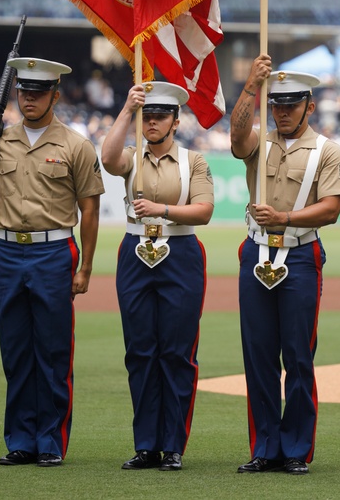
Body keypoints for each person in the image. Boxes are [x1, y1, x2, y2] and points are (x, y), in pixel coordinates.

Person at [0, 57, 103, 468]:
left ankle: (51, 441)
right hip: (7, 251)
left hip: (54, 252)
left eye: (38, 93)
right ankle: (21, 439)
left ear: (55, 95)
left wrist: (86, 267)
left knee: (53, 351)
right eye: (24, 92)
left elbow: (89, 211)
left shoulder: (76, 146)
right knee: (16, 351)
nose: (29, 99)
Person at [229, 54, 340, 475]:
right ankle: (265, 447)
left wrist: (285, 218)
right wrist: (249, 86)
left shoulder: (326, 151)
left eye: (291, 104)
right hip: (256, 250)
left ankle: (295, 448)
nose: (282, 111)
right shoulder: (258, 143)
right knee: (258, 355)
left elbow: (332, 209)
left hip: (300, 252)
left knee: (298, 355)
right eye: (276, 104)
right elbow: (236, 135)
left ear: (309, 106)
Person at [100, 81, 214, 472]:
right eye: (147, 115)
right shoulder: (132, 156)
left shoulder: (193, 161)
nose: (152, 122)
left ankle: (173, 445)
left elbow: (203, 211)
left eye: (159, 115)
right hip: (135, 252)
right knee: (140, 351)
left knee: (177, 352)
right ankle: (146, 445)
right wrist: (126, 110)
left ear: (175, 121)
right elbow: (108, 158)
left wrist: (161, 209)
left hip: (179, 252)